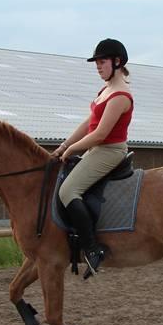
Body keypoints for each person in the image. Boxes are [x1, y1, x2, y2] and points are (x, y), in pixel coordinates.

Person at [52, 38, 134, 276]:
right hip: (97, 150)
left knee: (67, 191)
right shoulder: (105, 91)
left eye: (102, 61)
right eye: (96, 62)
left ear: (117, 62)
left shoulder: (120, 95)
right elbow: (89, 123)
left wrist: (71, 150)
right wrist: (64, 144)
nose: (98, 66)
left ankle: (93, 249)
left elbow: (99, 134)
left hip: (110, 150)